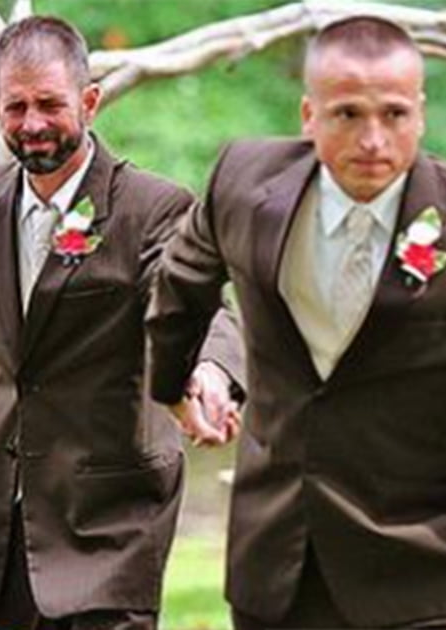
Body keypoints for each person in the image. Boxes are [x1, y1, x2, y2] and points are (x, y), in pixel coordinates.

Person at [0, 16, 244, 630]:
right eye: (15, 106)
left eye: (50, 103)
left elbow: (194, 306)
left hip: (109, 518)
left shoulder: (153, 206)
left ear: (90, 100)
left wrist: (208, 371)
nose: (32, 123)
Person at [147, 16, 446, 629]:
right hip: (275, 557)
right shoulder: (242, 182)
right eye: (347, 114)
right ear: (309, 115)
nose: (372, 138)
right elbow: (181, 285)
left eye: (392, 114)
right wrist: (173, 386)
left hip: (421, 568)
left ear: (418, 113)